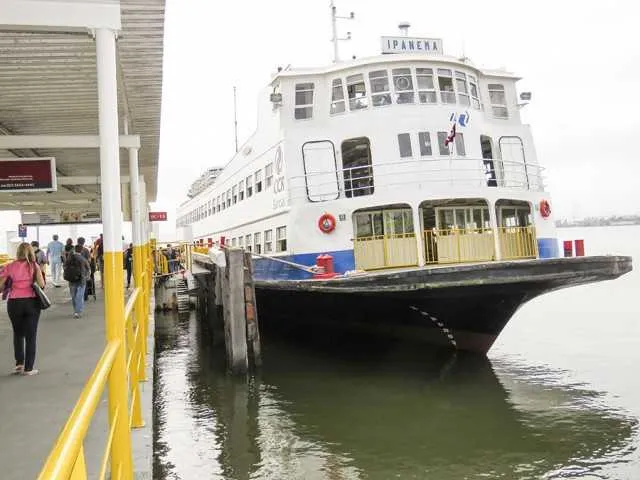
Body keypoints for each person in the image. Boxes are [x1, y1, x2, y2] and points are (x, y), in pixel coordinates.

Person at [0, 242, 46, 376]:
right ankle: (29, 368)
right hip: (31, 302)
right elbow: (42, 285)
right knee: (31, 336)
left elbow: (1, 285)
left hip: (14, 303)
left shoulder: (9, 266)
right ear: (31, 252)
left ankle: (19, 364)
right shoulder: (34, 266)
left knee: (18, 333)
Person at [64, 244, 91, 318]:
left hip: (72, 280)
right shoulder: (83, 259)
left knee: (74, 296)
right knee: (79, 296)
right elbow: (88, 269)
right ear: (81, 250)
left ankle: (75, 310)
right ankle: (77, 312)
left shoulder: (69, 259)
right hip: (81, 280)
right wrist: (87, 277)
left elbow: (65, 267)